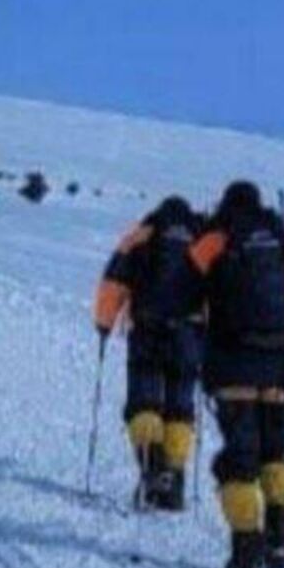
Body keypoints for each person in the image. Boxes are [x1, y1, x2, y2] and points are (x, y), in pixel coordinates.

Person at [183, 180, 284, 568]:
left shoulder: (218, 237)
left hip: (233, 369)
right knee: (278, 454)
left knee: (240, 459)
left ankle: (247, 551)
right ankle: (281, 541)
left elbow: (180, 291)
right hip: (282, 370)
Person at [92, 196, 208, 510]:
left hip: (147, 328)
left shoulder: (145, 232)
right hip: (188, 335)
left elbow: (115, 276)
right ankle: (174, 481)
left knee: (143, 404)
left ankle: (153, 470)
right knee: (179, 410)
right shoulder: (201, 236)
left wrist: (104, 323)